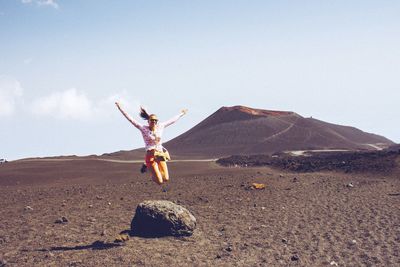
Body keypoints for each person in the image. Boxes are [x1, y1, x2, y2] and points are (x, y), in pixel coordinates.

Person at [115, 102, 187, 185]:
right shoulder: (143, 128)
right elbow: (130, 119)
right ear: (148, 121)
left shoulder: (160, 126)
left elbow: (172, 120)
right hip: (151, 156)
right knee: (159, 182)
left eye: (155, 120)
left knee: (166, 179)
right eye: (152, 120)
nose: (154, 122)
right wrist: (120, 108)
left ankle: (150, 169)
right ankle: (149, 168)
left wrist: (181, 113)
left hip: (160, 155)